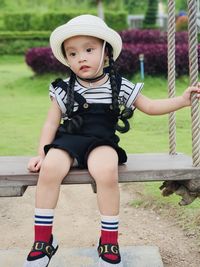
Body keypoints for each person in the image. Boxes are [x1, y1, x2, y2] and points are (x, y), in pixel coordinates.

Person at [23, 14, 200, 267]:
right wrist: (41, 154)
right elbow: (51, 124)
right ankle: (43, 241)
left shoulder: (118, 84)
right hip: (69, 140)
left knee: (106, 171)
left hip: (101, 142)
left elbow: (149, 105)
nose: (80, 57)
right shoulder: (63, 88)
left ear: (106, 53)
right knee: (50, 168)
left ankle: (108, 241)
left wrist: (182, 101)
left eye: (88, 49)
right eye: (72, 54)